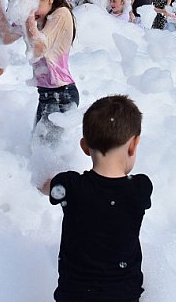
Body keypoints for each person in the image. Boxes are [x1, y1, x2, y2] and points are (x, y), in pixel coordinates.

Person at [46, 95, 152, 302]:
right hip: (124, 295)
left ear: (85, 146)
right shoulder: (140, 189)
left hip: (74, 295)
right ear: (133, 145)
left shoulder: (71, 186)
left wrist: (45, 180)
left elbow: (47, 186)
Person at [0, 0, 77, 142]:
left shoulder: (61, 14)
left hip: (62, 94)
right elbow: (5, 37)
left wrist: (29, 15)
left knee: (48, 149)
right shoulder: (37, 18)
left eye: (32, 4)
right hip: (46, 93)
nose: (28, 9)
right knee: (38, 146)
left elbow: (39, 48)